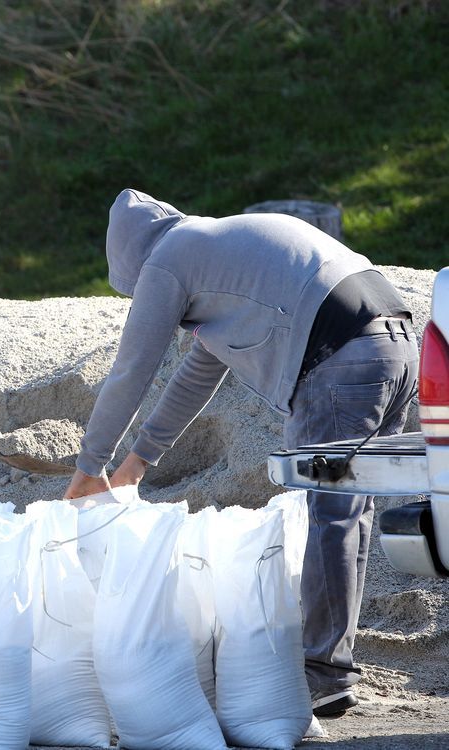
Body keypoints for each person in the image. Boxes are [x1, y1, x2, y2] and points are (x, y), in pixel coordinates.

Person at [64, 189, 418, 719]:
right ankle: (331, 668)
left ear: (133, 266)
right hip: (398, 343)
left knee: (329, 515)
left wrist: (88, 467)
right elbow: (196, 373)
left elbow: (130, 370)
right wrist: (136, 463)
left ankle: (323, 676)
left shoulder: (165, 261)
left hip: (341, 357)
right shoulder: (220, 252)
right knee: (350, 513)